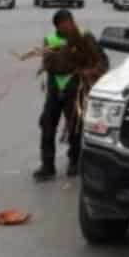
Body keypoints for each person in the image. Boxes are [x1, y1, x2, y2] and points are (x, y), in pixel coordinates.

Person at [35, 9, 84, 182]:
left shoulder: (82, 38)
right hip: (55, 90)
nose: (69, 25)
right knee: (47, 126)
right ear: (58, 25)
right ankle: (47, 166)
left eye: (70, 22)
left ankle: (74, 162)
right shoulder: (50, 40)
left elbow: (88, 60)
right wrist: (70, 59)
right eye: (65, 23)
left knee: (75, 128)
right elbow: (50, 65)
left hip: (74, 89)